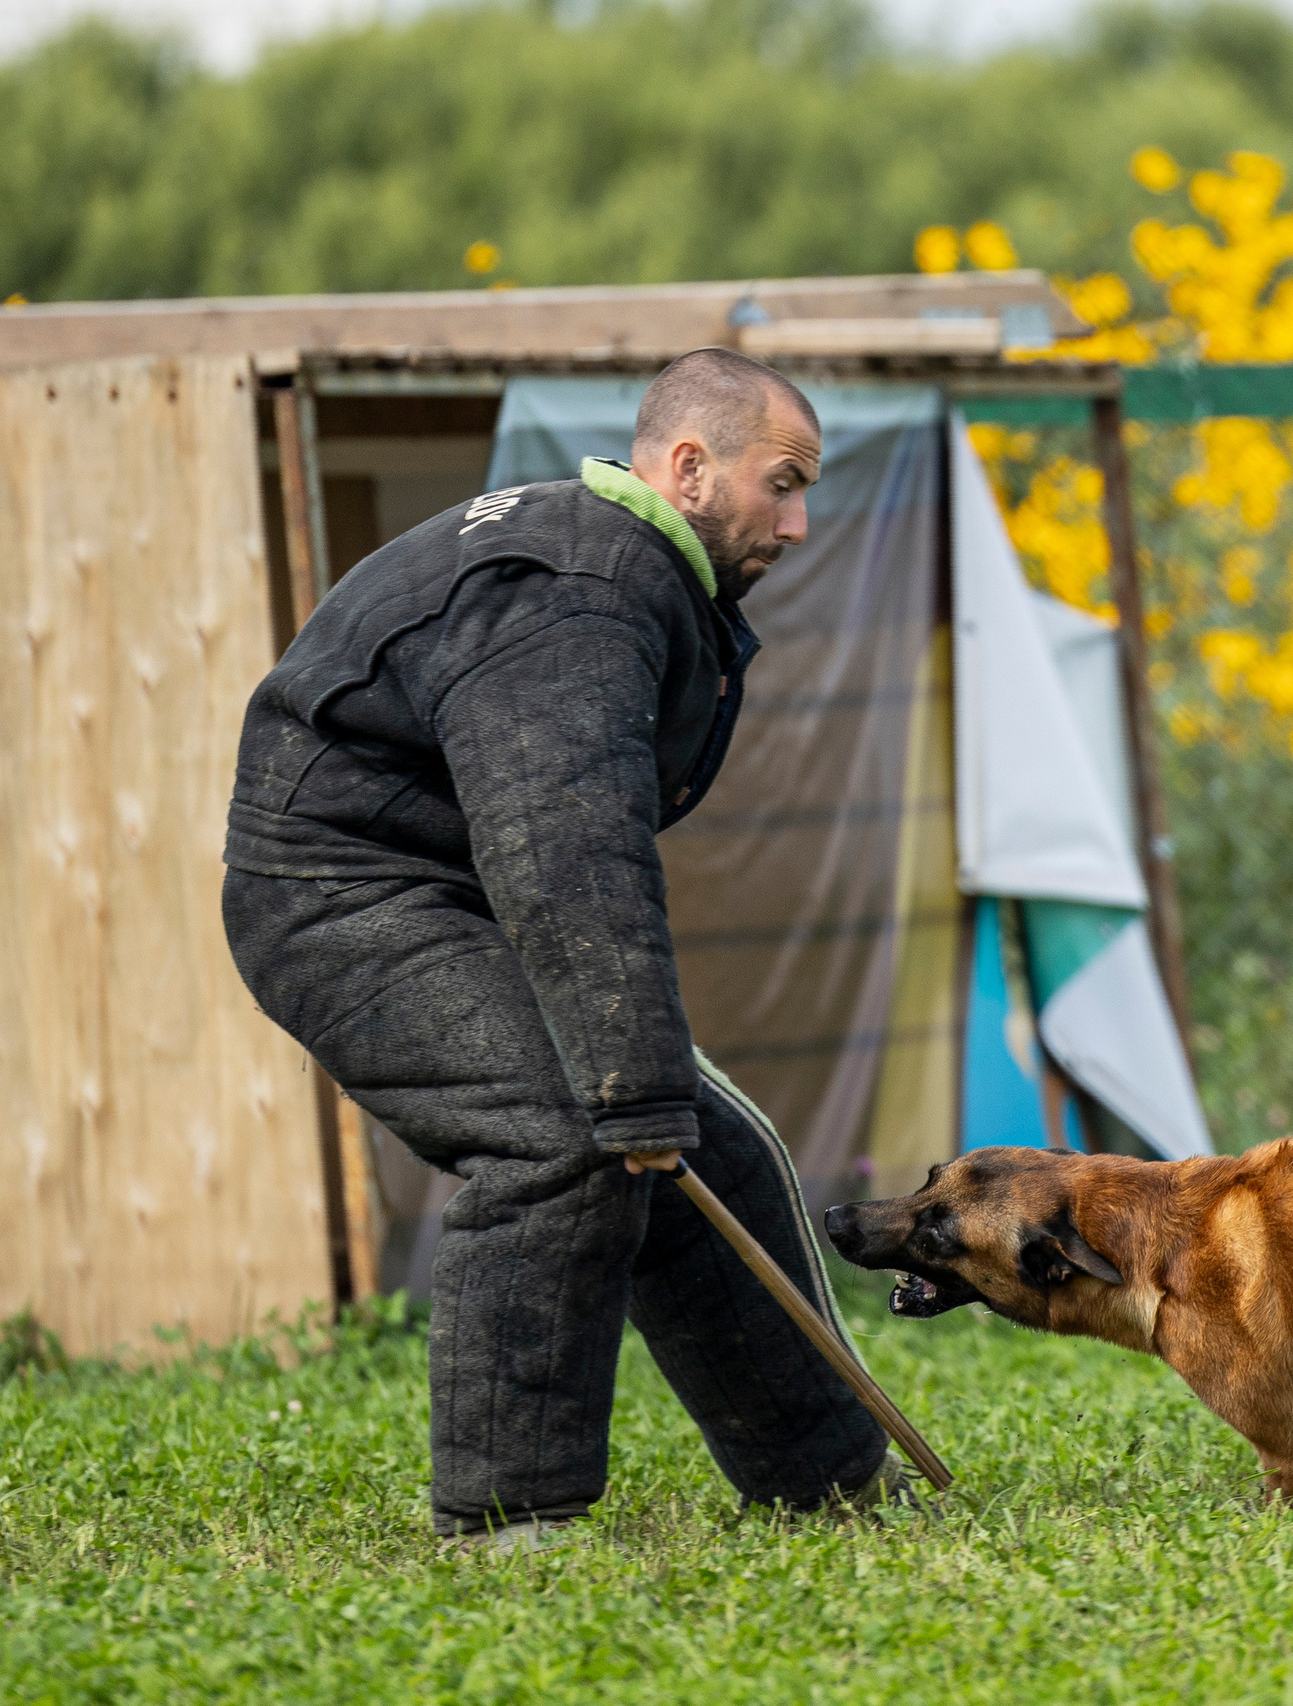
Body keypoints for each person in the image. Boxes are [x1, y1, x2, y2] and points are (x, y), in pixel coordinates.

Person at [220, 348, 896, 1546]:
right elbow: (568, 849)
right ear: (688, 468)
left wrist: (655, 1097)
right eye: (780, 484)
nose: (796, 525)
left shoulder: (625, 568)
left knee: (705, 1149)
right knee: (570, 1136)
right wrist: (630, 1085)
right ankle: (507, 1519)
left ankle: (830, 1481)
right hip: (339, 893)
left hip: (449, 885)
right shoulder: (577, 595)